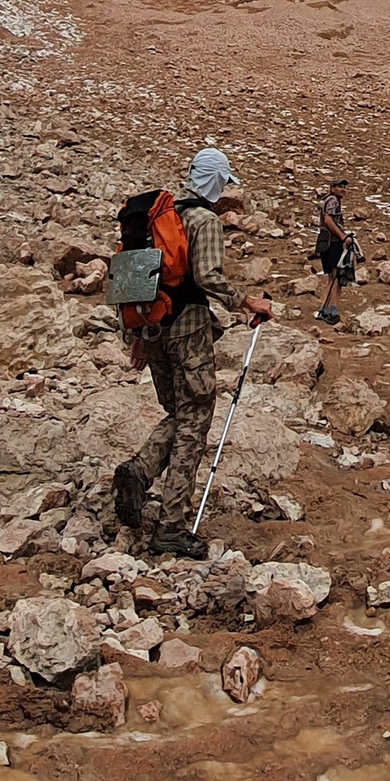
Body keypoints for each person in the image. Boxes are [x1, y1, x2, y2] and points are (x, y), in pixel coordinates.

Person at [115, 142, 269, 559]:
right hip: (189, 331)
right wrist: (246, 302)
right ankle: (172, 525)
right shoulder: (203, 221)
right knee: (195, 420)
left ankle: (140, 470)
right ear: (218, 182)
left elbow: (137, 281)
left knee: (177, 412)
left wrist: (138, 339)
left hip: (153, 329)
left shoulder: (160, 219)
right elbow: (206, 276)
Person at [315, 177, 359, 325]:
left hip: (325, 241)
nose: (342, 189)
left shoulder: (328, 200)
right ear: (332, 188)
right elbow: (328, 220)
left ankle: (324, 308)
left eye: (344, 187)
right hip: (332, 241)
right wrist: (342, 237)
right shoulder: (332, 201)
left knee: (331, 277)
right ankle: (330, 310)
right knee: (335, 276)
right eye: (339, 186)